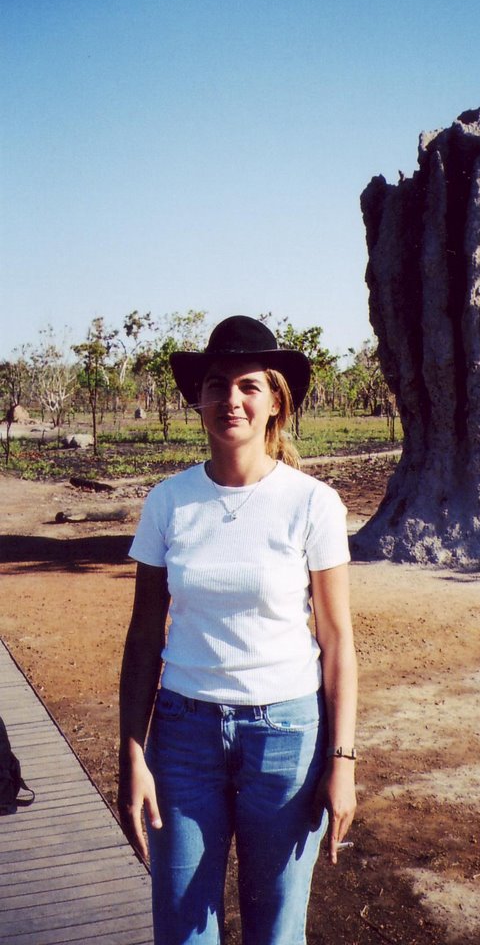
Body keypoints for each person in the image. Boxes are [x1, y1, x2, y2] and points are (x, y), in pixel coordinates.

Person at [118, 315, 357, 945]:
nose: (232, 399)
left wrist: (343, 762)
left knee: (275, 932)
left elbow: (337, 642)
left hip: (287, 741)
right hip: (183, 740)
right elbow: (145, 637)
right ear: (198, 399)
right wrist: (133, 754)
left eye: (249, 385)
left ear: (275, 399)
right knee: (181, 929)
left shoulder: (313, 503)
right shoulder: (168, 502)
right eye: (217, 384)